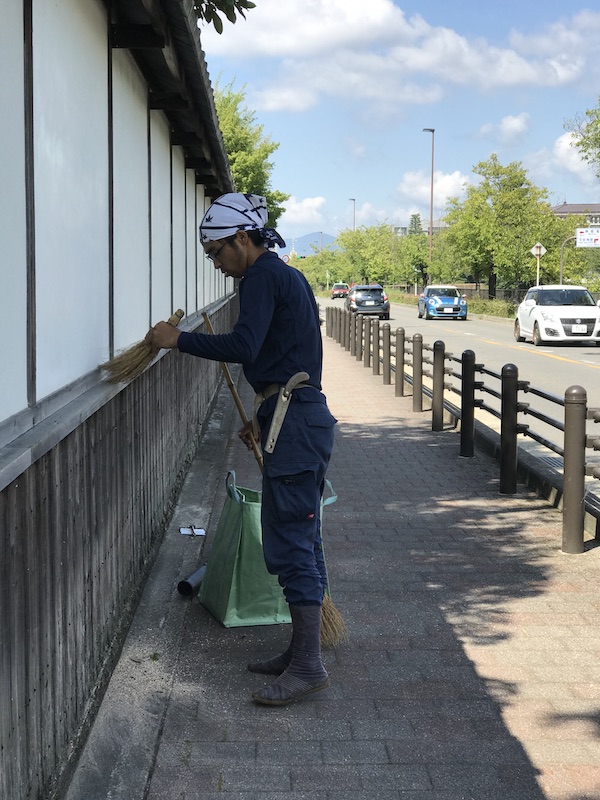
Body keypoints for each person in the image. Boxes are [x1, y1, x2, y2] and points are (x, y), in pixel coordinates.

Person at [145, 192, 337, 706]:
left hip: (295, 426)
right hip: (296, 419)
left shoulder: (262, 277)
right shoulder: (286, 276)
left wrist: (176, 339)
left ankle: (307, 664)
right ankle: (300, 651)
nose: (217, 264)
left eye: (217, 253)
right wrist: (262, 417)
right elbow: (289, 358)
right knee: (301, 540)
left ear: (242, 239)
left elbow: (245, 348)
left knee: (292, 546)